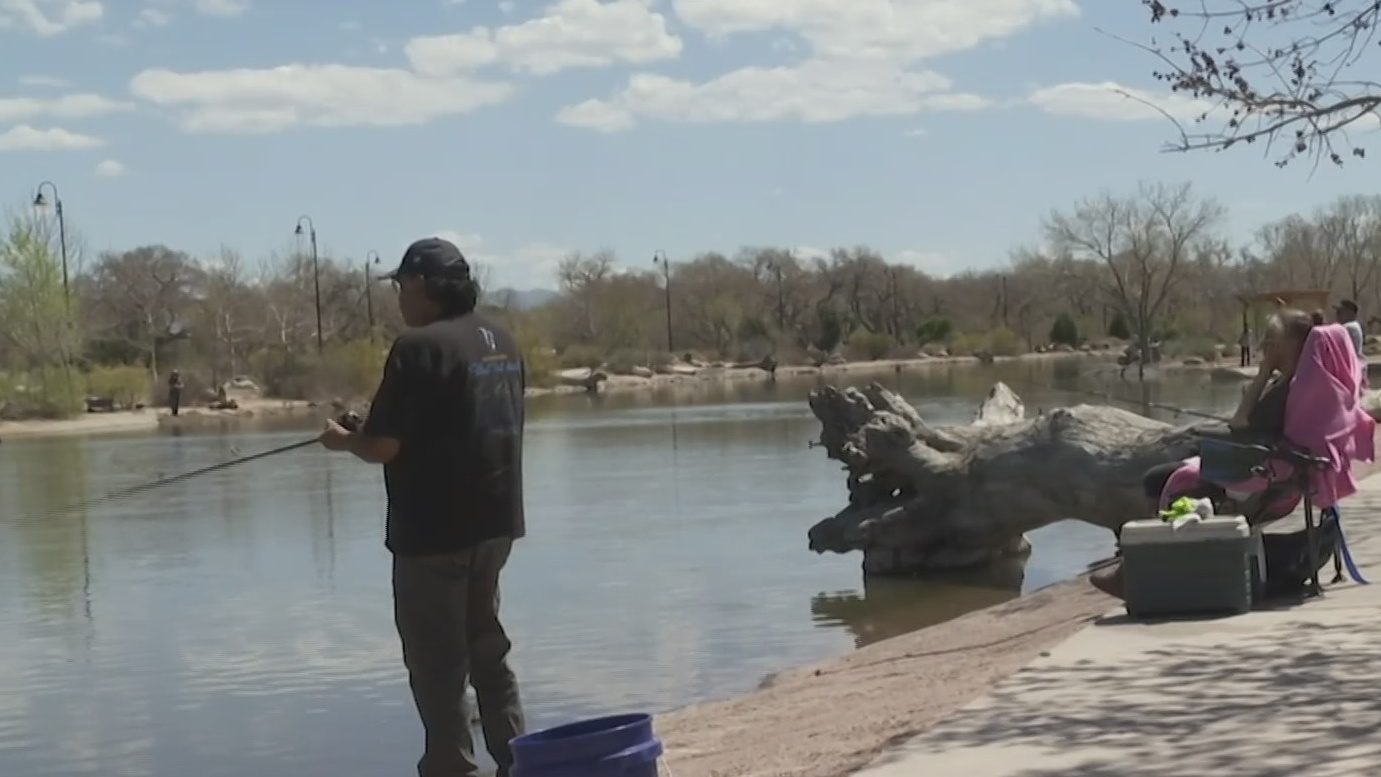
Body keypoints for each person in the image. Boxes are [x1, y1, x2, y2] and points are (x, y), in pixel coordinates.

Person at [318, 237, 527, 777]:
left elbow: (384, 446)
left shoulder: (417, 348)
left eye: (400, 286)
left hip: (434, 535)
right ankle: (519, 759)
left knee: (437, 664)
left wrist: (343, 440)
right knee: (487, 647)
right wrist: (373, 431)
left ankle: (450, 768)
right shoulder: (501, 340)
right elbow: (451, 424)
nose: (397, 297)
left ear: (421, 285)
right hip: (495, 526)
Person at [1093, 309, 1316, 599]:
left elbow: (1240, 423)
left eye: (1270, 339)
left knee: (1155, 477)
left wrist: (1263, 372)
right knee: (1184, 451)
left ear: (1290, 345)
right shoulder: (1300, 382)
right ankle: (1140, 566)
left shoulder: (1286, 386)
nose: (1263, 346)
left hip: (1256, 474)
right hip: (1272, 466)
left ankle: (1141, 573)